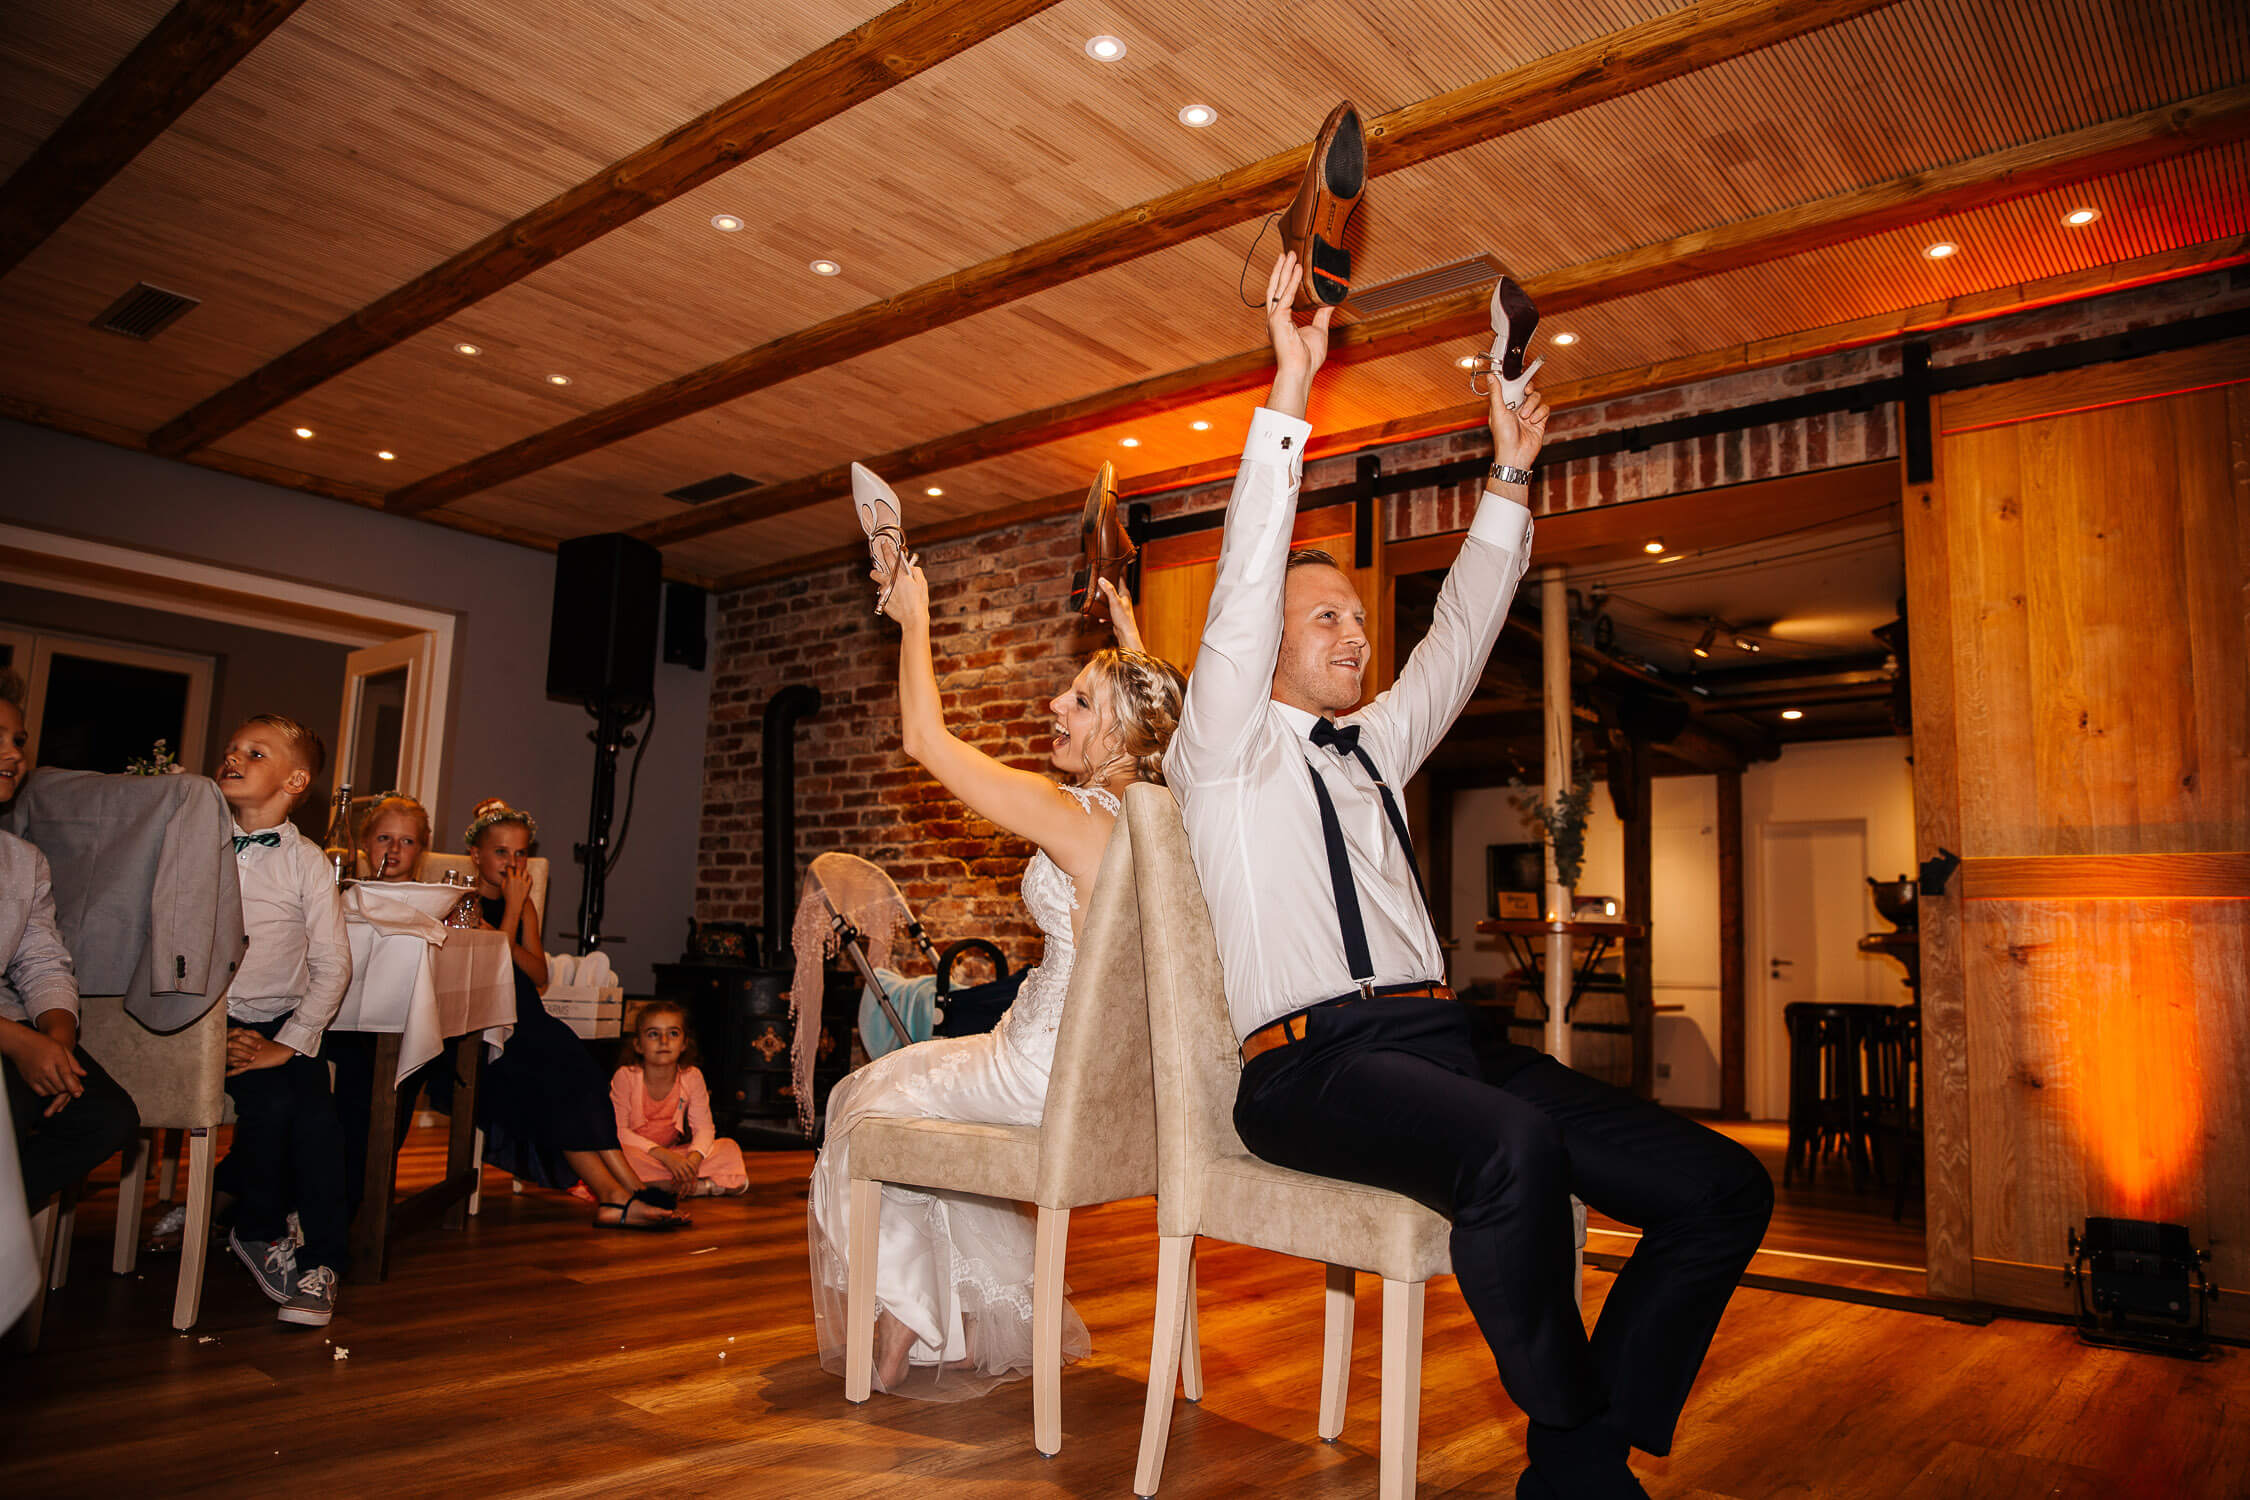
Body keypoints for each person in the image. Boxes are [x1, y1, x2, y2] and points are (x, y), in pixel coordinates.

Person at [1165, 253, 1773, 1499]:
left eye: (1355, 616)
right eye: (1326, 616)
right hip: (1309, 1067)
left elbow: (1466, 629)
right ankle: (1580, 1457)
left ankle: (1575, 1449)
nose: (1356, 631)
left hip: (1449, 1048)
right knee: (1511, 1154)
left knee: (1720, 1186)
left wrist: (1508, 469)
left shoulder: (1378, 748)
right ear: (1267, 644)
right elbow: (1240, 586)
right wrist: (1292, 385)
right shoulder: (1219, 751)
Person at [806, 549, 1182, 1399]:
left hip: (1042, 1070)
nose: (1055, 704)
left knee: (862, 1101)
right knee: (925, 1109)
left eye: (1080, 702)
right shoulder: (1168, 813)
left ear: (1123, 731)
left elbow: (923, 740)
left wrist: (916, 620)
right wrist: (1131, 644)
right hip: (1122, 1083)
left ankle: (906, 1319)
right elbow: (1173, 732)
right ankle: (932, 1324)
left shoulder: (1072, 816)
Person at [463, 800, 688, 1230]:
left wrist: (514, 914)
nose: (513, 863)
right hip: (490, 1026)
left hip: (529, 1015)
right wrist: (510, 908)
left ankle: (628, 1187)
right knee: (554, 1083)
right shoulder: (464, 903)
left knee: (581, 1071)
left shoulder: (524, 905)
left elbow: (537, 971)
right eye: (501, 852)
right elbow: (492, 967)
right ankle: (614, 1196)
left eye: (521, 853)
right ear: (476, 854)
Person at [214, 714, 354, 1328]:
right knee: (274, 1110)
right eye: (232, 748)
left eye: (255, 751)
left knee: (316, 1117)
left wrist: (290, 1044)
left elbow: (333, 967)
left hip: (276, 1025)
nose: (234, 756)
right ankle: (258, 1225)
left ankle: (321, 1262)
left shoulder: (307, 864)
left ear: (296, 780)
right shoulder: (195, 846)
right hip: (199, 1024)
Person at [0, 673, 142, 1217]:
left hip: (15, 1029)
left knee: (108, 1118)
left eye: (18, 740)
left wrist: (57, 1037)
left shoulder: (22, 860)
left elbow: (41, 958)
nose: (13, 754)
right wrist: (17, 1044)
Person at [607, 1001, 746, 1198]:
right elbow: (619, 1131)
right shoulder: (626, 1076)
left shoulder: (692, 1076)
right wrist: (665, 1157)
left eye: (673, 1033)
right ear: (638, 1044)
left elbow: (704, 1129)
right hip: (643, 1154)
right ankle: (700, 1187)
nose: (664, 1041)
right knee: (619, 1157)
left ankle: (659, 1185)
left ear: (683, 1044)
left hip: (675, 1155)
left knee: (729, 1148)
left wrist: (693, 1161)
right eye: (653, 1034)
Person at [356, 792, 430, 881]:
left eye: (407, 841)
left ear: (420, 848)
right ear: (365, 842)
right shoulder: (347, 892)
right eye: (384, 838)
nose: (394, 848)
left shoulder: (431, 895)